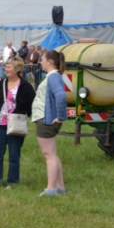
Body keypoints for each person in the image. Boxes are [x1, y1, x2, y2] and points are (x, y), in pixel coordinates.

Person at [0, 57, 34, 188]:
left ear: (17, 69)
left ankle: (12, 181)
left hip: (16, 126)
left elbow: (31, 105)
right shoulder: (1, 84)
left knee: (14, 155)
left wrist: (21, 114)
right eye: (6, 66)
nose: (6, 69)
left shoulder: (25, 86)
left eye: (9, 67)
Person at [32, 49, 67, 196]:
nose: (41, 62)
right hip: (47, 119)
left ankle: (51, 189)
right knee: (53, 154)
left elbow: (61, 95)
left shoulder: (53, 77)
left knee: (49, 155)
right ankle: (60, 187)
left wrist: (60, 116)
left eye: (43, 59)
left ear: (50, 62)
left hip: (46, 120)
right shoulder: (54, 76)